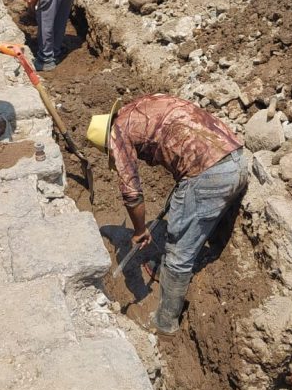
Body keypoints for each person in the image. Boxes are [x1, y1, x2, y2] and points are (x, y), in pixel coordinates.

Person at [86, 94, 248, 334]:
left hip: (210, 175)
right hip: (236, 158)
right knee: (199, 223)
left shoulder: (116, 136)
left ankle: (165, 324)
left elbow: (132, 194)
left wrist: (140, 230)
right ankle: (192, 262)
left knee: (178, 253)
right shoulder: (142, 106)